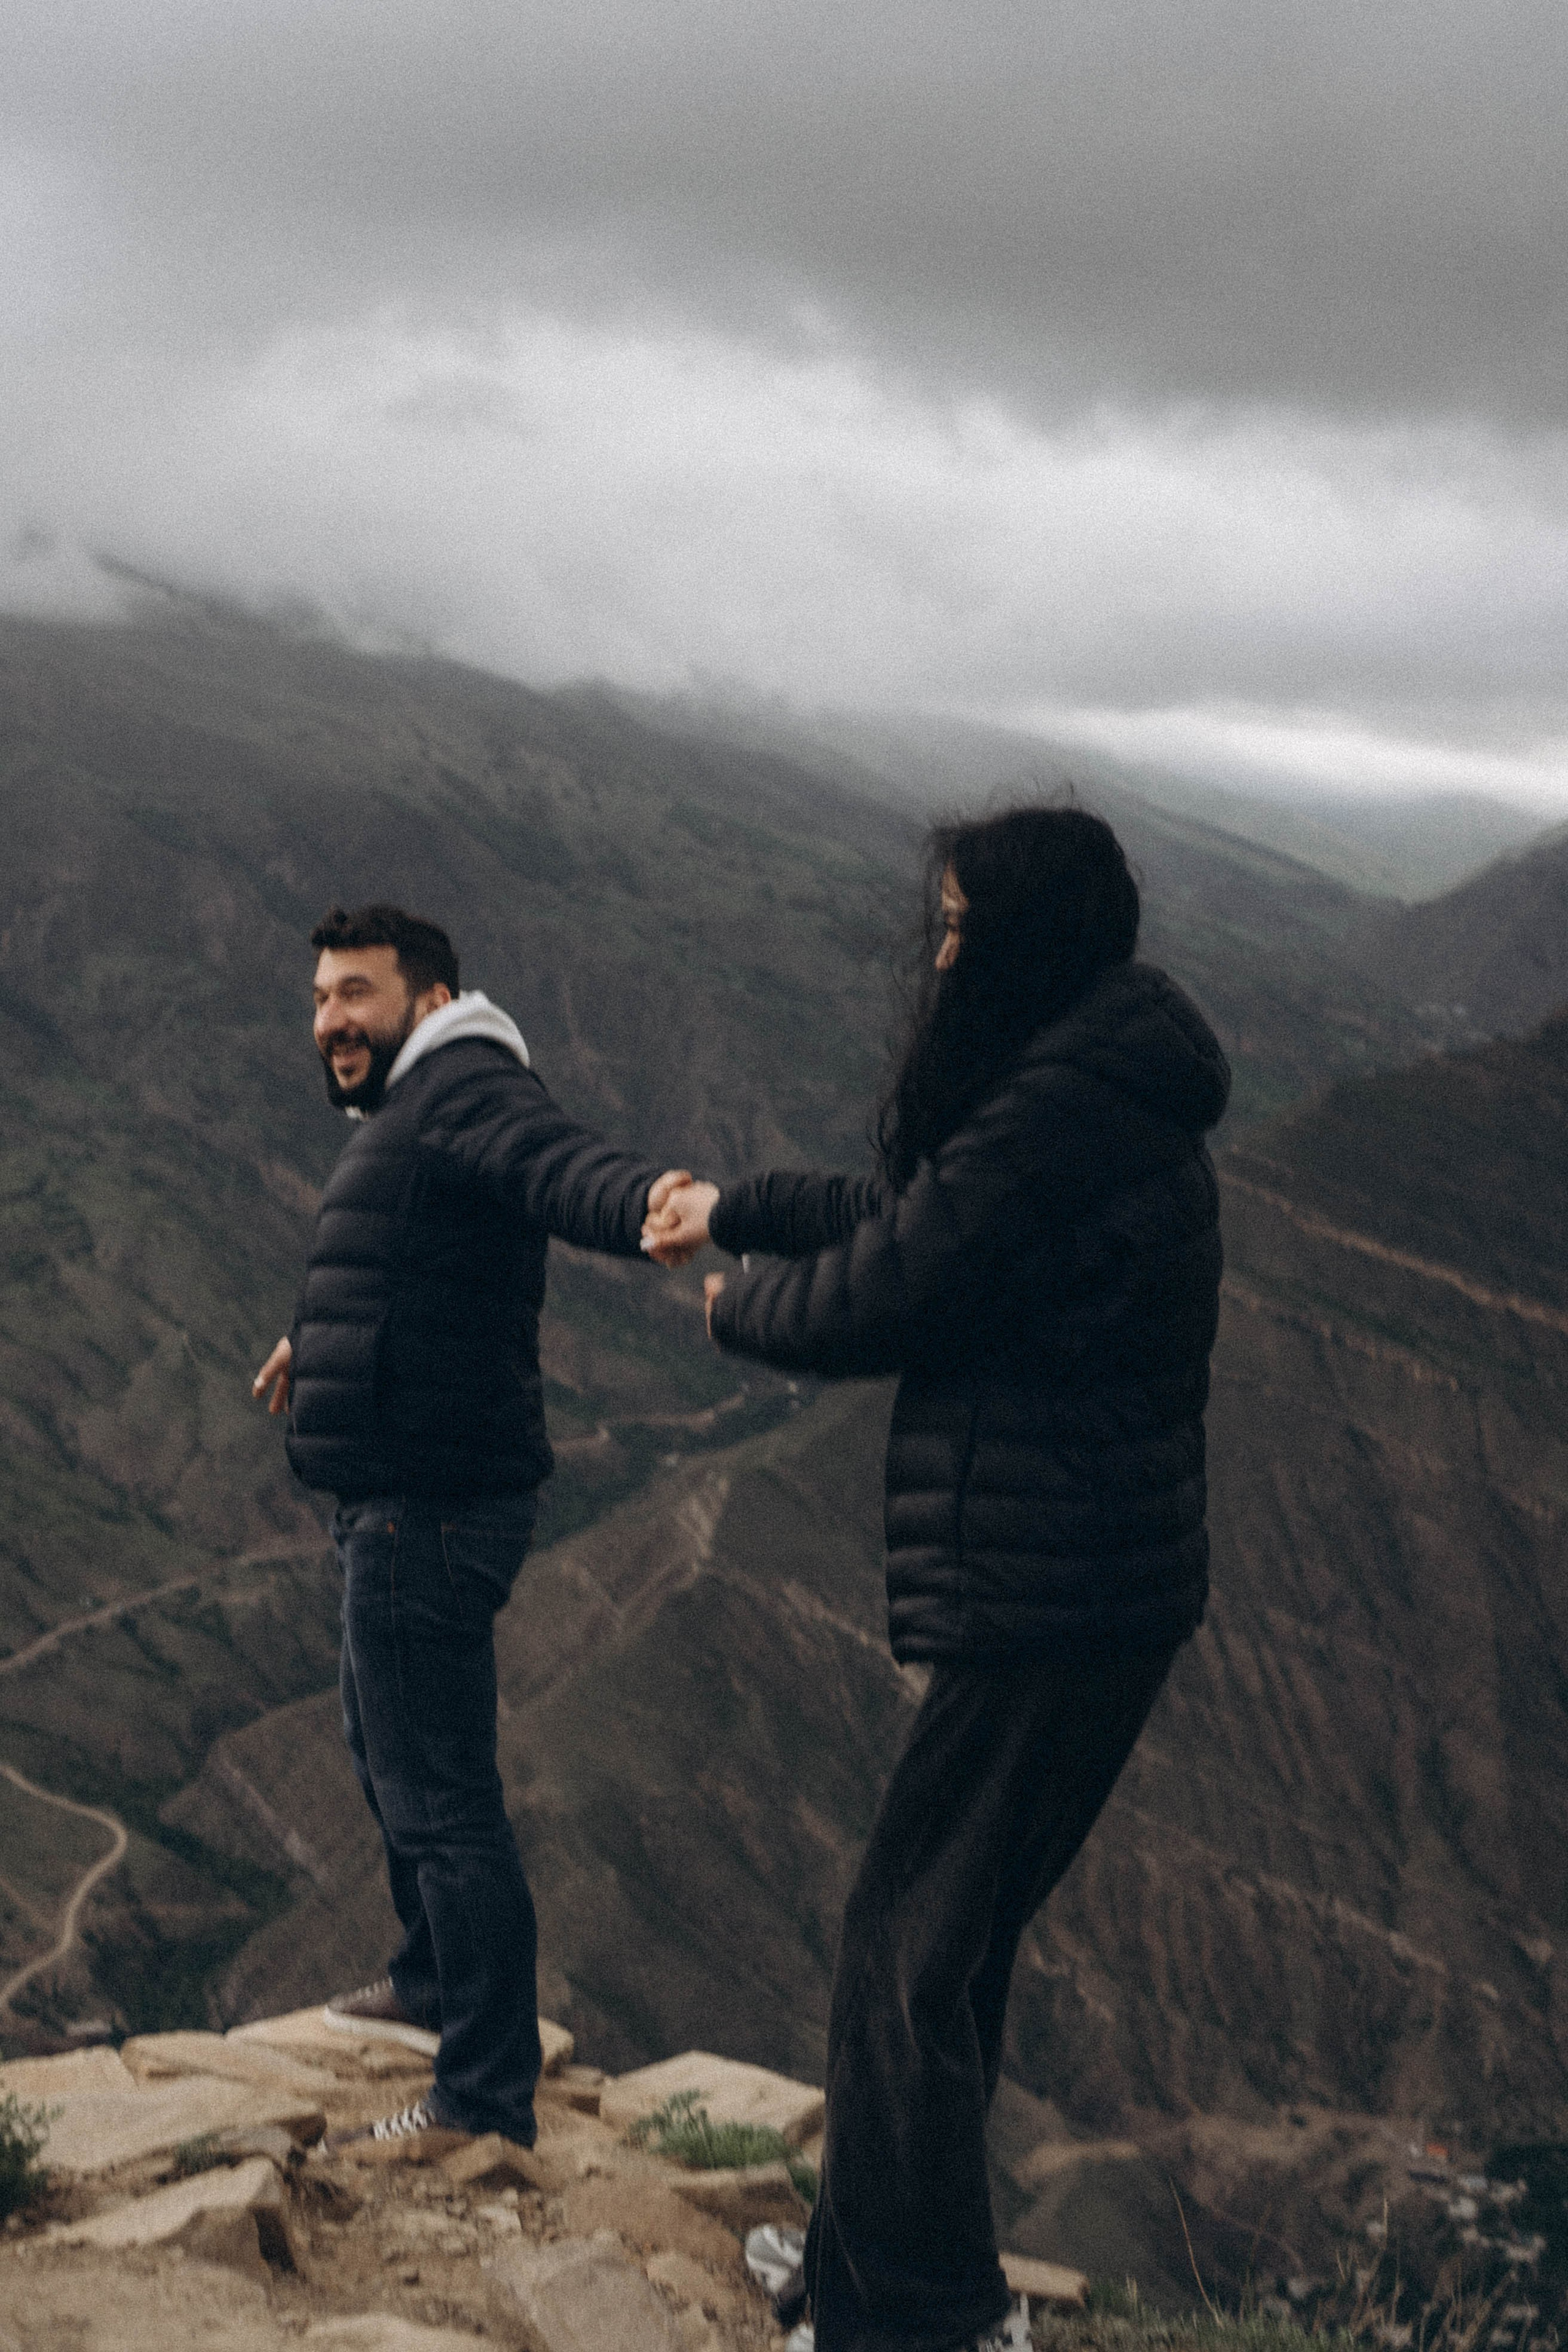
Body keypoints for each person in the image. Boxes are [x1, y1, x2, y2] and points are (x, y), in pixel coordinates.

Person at [644, 806, 1231, 2352]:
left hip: (1051, 1599)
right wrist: (736, 1206)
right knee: (940, 1949)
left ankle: (910, 2316)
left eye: (963, 927)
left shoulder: (1059, 1114)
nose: (943, 955)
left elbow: (891, 1283)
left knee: (905, 1952)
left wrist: (734, 1308)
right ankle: (876, 2270)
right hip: (1091, 1589)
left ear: (1027, 941)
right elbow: (921, 1218)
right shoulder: (1086, 1091)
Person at [253, 902, 690, 2152]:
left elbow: (559, 1168)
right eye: (321, 998)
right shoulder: (415, 1110)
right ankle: (433, 1980)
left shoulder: (467, 1087)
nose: (332, 1020)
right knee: (382, 1747)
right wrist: (319, 1346)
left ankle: (480, 2097)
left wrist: (649, 1199)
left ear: (432, 1001)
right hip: (402, 1493)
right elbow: (411, 1261)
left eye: (357, 994)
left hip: (430, 1507)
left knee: (442, 1799)